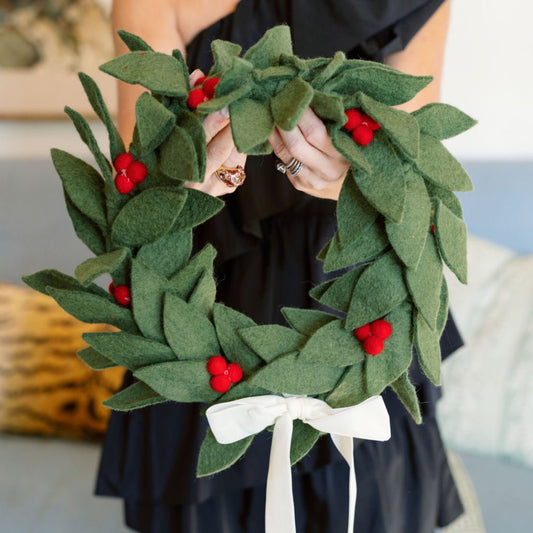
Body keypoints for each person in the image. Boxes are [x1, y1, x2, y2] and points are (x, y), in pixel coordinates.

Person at [96, 1, 464, 532]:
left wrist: (357, 184)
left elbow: (416, 173)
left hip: (355, 300)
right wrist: (183, 177)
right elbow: (136, 179)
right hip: (203, 298)